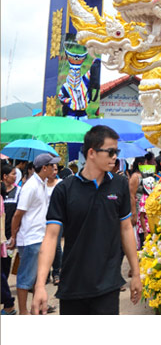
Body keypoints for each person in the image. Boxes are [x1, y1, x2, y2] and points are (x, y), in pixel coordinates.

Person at [31, 125, 141, 315]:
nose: (115, 157)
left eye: (117, 151)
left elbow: (126, 229)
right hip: (73, 285)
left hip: (108, 284)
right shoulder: (64, 190)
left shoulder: (119, 184)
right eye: (111, 152)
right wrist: (40, 284)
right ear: (91, 152)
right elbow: (50, 237)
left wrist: (136, 274)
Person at [8, 152, 60, 315]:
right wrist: (14, 236)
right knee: (25, 278)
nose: (54, 168)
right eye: (52, 165)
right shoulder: (31, 186)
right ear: (44, 168)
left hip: (39, 236)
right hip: (30, 239)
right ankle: (24, 311)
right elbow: (18, 214)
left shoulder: (42, 183)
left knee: (38, 277)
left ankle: (38, 306)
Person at [1, 163, 20, 314]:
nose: (15, 176)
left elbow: (18, 216)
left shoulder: (19, 192)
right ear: (4, 177)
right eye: (13, 174)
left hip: (9, 238)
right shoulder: (2, 193)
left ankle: (8, 302)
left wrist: (14, 236)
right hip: (2, 238)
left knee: (5, 268)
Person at [45, 164, 62, 285]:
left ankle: (56, 272)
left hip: (57, 219)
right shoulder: (41, 183)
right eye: (52, 169)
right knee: (44, 245)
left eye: (56, 169)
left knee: (56, 246)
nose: (54, 172)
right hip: (43, 219)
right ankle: (45, 273)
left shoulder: (61, 183)